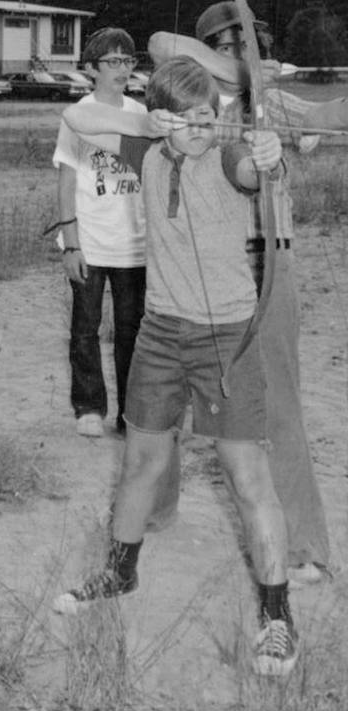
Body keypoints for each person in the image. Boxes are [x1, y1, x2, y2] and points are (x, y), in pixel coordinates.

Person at [53, 56, 298, 678]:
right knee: (140, 459)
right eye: (184, 117)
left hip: (226, 340)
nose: (198, 127)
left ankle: (277, 617)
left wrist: (265, 151)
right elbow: (74, 115)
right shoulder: (148, 153)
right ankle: (119, 571)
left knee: (247, 476)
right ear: (160, 117)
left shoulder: (224, 156)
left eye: (207, 115)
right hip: (161, 332)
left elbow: (252, 167)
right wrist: (147, 123)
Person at [145, 3, 339, 584]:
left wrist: (274, 100)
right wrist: (247, 70)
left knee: (278, 399)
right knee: (166, 393)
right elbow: (158, 40)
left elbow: (330, 112)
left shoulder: (273, 102)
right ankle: (153, 511)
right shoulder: (185, 100)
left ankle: (303, 546)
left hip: (267, 259)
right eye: (226, 45)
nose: (236, 54)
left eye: (246, 44)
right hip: (195, 270)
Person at [50, 27, 147, 438]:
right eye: (112, 61)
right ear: (92, 69)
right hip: (90, 240)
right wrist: (71, 243)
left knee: (133, 330)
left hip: (135, 246)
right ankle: (89, 407)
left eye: (127, 61)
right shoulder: (79, 114)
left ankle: (131, 412)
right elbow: (67, 181)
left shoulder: (141, 115)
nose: (121, 69)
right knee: (85, 328)